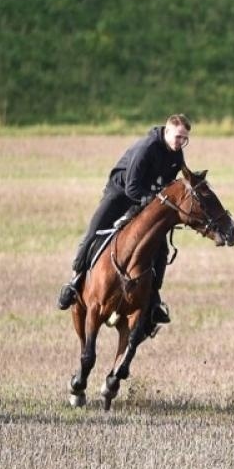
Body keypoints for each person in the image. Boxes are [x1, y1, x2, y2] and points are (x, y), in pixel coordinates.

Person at [57, 114, 191, 323]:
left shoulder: (176, 155)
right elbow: (131, 187)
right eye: (178, 137)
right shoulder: (146, 148)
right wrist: (153, 201)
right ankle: (74, 282)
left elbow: (172, 185)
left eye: (185, 139)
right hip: (120, 195)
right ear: (167, 132)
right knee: (94, 233)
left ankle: (154, 300)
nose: (181, 142)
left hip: (145, 201)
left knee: (161, 247)